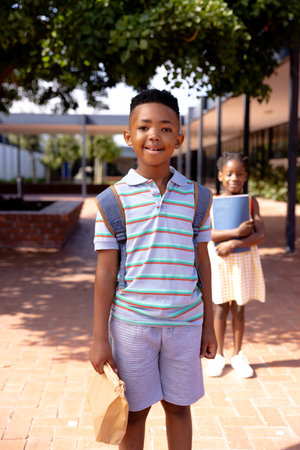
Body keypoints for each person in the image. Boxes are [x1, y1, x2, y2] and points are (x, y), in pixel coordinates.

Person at [89, 88, 217, 450]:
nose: (154, 136)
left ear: (179, 138)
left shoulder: (198, 197)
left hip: (186, 325)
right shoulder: (111, 201)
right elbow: (104, 275)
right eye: (144, 127)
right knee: (135, 412)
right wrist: (100, 338)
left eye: (165, 128)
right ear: (129, 136)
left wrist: (209, 324)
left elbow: (203, 263)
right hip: (132, 326)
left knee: (178, 408)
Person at [205, 152, 265, 379]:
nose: (234, 178)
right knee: (220, 306)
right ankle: (218, 355)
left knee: (239, 306)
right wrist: (234, 233)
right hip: (220, 261)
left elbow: (261, 234)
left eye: (240, 174)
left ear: (246, 176)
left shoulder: (250, 201)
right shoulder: (212, 201)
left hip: (242, 261)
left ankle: (237, 354)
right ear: (221, 175)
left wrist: (234, 242)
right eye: (229, 173)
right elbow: (206, 232)